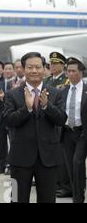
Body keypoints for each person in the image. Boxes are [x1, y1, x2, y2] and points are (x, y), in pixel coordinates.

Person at [3, 52, 67, 203]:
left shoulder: (56, 93)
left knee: (47, 199)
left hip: (48, 158)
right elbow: (8, 121)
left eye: (38, 67)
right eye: (30, 67)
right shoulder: (13, 94)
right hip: (19, 158)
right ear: (24, 69)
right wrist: (27, 109)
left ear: (44, 69)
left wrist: (46, 106)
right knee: (16, 198)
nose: (34, 70)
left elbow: (61, 120)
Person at [44, 51, 71, 198]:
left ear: (62, 65)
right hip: (48, 121)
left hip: (60, 121)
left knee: (62, 157)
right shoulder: (47, 80)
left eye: (56, 63)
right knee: (51, 155)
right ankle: (54, 184)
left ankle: (65, 185)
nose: (52, 66)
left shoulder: (66, 80)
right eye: (51, 63)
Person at [60, 57, 87, 203]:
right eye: (68, 71)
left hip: (82, 132)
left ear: (81, 72)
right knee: (70, 166)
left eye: (73, 71)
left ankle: (78, 197)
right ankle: (77, 193)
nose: (70, 74)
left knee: (77, 163)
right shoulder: (63, 91)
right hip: (67, 133)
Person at [0, 62, 15, 175]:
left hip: (11, 118)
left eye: (10, 69)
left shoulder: (17, 84)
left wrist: (4, 96)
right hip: (0, 118)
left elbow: (15, 99)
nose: (7, 71)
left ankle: (11, 166)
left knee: (13, 143)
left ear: (13, 71)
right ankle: (1, 165)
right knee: (1, 144)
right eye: (6, 69)